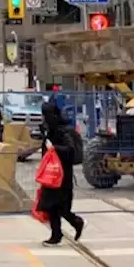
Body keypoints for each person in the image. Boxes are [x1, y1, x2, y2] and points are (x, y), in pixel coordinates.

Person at [38, 101, 85, 246]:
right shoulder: (50, 129)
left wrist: (54, 148)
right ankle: (56, 235)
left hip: (62, 175)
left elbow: (70, 150)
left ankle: (76, 222)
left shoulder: (64, 131)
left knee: (62, 208)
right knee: (51, 207)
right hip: (51, 175)